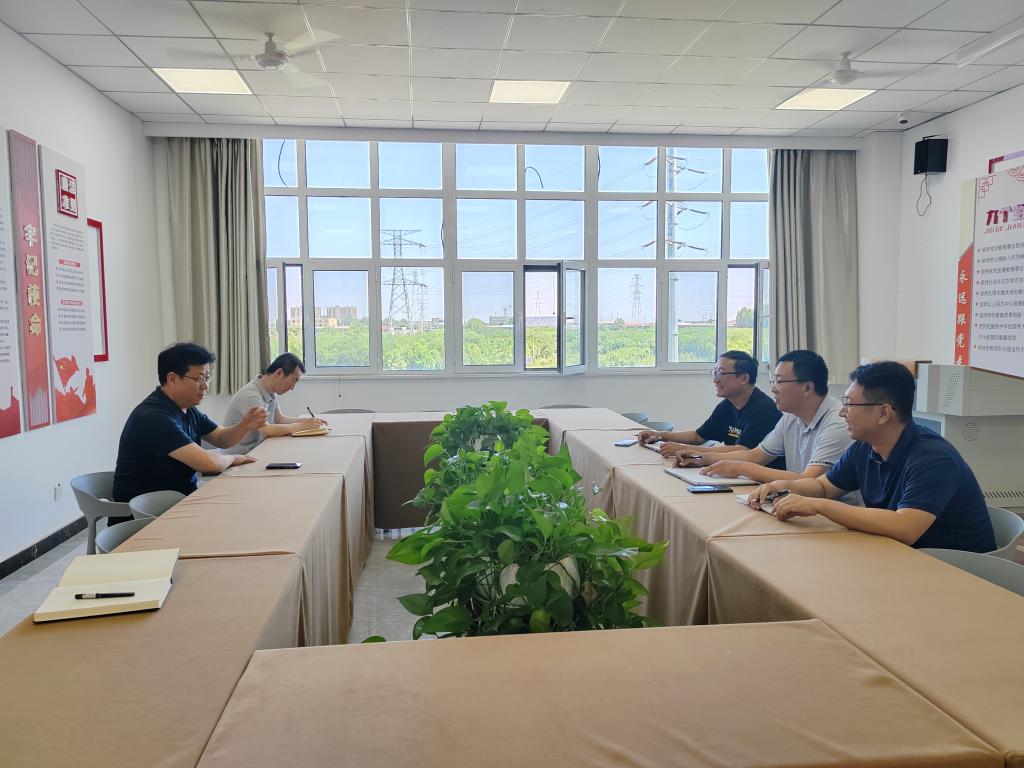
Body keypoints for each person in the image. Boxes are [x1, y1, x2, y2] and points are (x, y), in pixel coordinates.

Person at [748, 361, 996, 552]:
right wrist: (782, 487)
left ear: (883, 413)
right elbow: (823, 487)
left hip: (954, 568)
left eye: (849, 405)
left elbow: (905, 527)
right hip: (898, 554)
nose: (842, 413)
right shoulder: (865, 446)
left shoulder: (933, 458)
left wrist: (819, 506)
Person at [111, 343, 268, 519]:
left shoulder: (187, 408)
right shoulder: (154, 417)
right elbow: (208, 464)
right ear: (172, 379)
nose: (205, 385)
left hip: (178, 501)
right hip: (146, 516)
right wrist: (234, 458)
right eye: (199, 379)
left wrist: (245, 425)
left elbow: (221, 438)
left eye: (207, 378)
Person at [690, 350, 853, 486]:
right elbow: (755, 456)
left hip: (834, 510)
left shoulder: (838, 423)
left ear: (807, 388)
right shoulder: (790, 418)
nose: (773, 389)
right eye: (773, 381)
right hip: (797, 500)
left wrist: (742, 468)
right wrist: (700, 457)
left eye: (779, 381)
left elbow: (809, 480)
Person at [638, 350, 783, 468]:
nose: (715, 379)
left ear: (744, 379)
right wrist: (659, 435)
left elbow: (743, 451)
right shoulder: (727, 405)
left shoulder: (764, 409)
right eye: (714, 373)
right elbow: (697, 437)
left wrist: (691, 451)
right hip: (737, 472)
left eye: (722, 373)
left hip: (760, 480)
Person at [222, 353, 326, 455]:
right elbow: (267, 430)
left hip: (258, 449)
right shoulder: (250, 395)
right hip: (241, 456)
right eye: (293, 381)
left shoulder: (270, 391)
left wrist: (308, 421)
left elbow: (279, 419)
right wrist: (303, 426)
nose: (292, 387)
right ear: (279, 373)